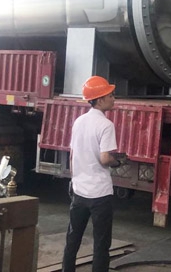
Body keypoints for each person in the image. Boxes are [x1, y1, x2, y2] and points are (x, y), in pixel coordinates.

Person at [62, 76, 123, 272]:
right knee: (101, 244)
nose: (113, 98)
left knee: (73, 239)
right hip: (100, 194)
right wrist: (118, 161)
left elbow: (73, 155)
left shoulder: (79, 121)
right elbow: (105, 158)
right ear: (100, 99)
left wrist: (74, 180)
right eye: (110, 95)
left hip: (79, 191)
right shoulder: (106, 125)